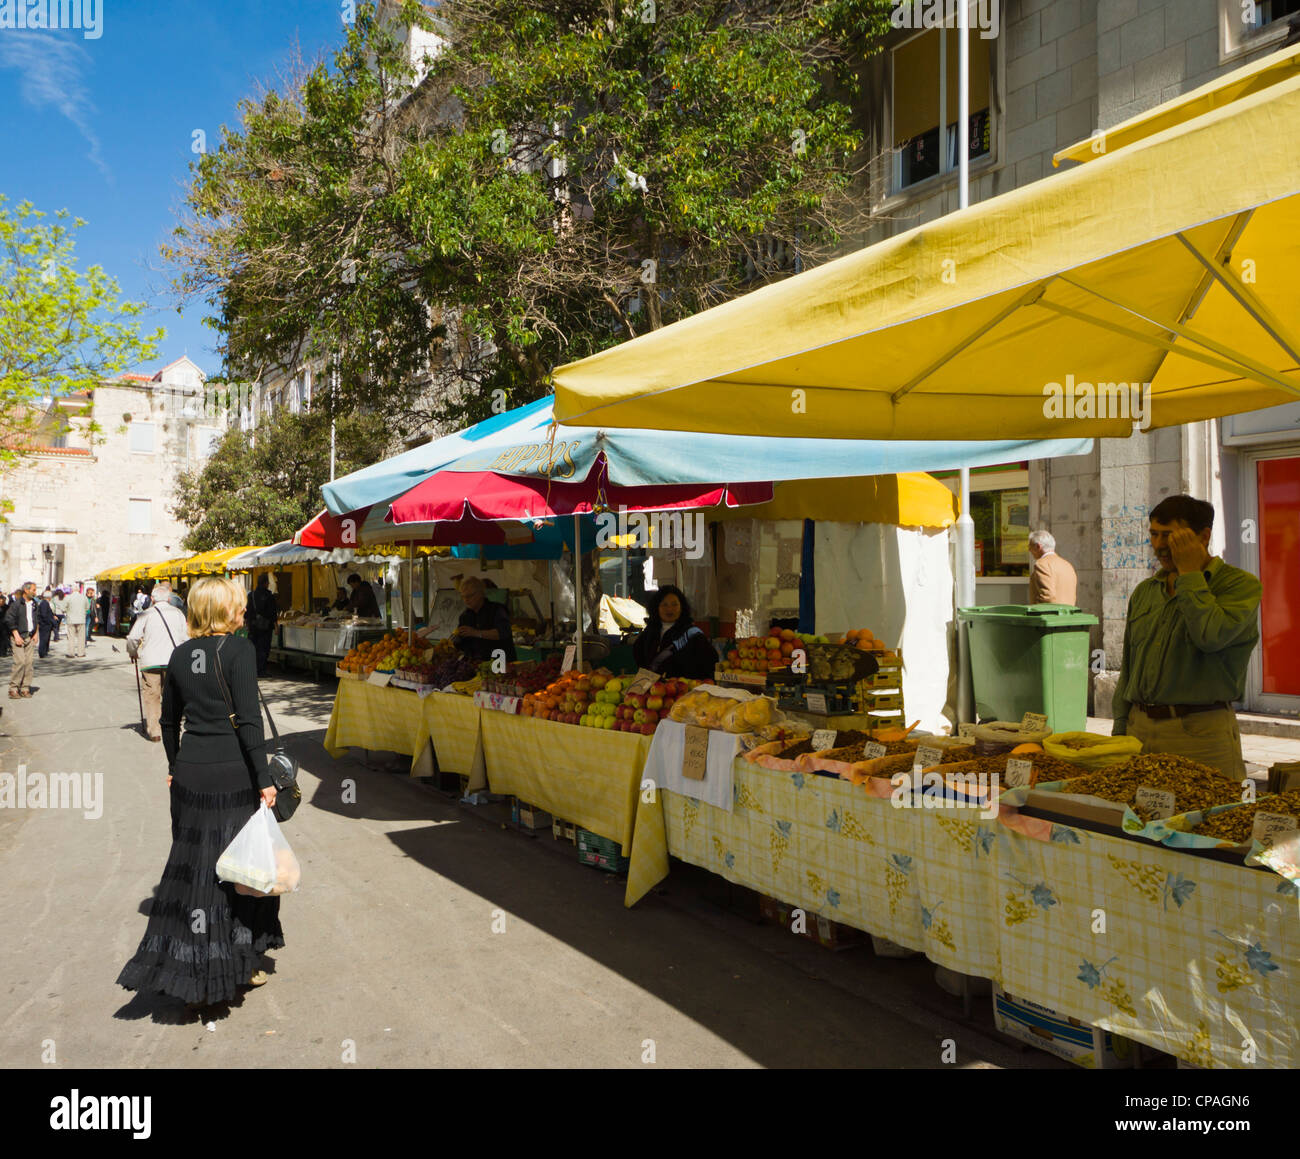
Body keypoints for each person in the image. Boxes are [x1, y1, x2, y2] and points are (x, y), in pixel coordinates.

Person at [117, 576, 284, 1009]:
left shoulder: (179, 655)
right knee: (239, 870)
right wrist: (265, 779)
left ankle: (190, 967)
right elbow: (250, 722)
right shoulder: (241, 650)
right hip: (233, 777)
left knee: (197, 869)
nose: (243, 611)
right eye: (237, 604)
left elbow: (169, 723)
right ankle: (239, 961)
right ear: (223, 610)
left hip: (191, 775)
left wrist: (175, 766)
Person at [1111, 495, 1261, 780]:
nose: (1159, 546)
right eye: (1154, 535)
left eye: (1170, 536)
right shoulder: (1146, 591)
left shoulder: (1239, 586)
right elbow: (1129, 666)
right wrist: (1121, 726)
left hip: (1199, 733)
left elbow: (1210, 636)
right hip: (1139, 728)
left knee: (1210, 819)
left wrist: (1190, 573)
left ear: (1203, 536)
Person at [126, 580, 190, 742]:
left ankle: (155, 731)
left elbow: (133, 637)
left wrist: (133, 652)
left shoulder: (146, 614)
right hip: (173, 661)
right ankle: (172, 725)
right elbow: (186, 638)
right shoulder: (178, 614)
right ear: (169, 599)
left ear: (153, 600)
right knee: (172, 695)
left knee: (152, 695)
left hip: (151, 661)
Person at [632, 584, 717, 679]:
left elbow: (709, 664)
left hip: (684, 689)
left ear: (682, 607)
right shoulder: (649, 631)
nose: (669, 609)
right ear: (656, 608)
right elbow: (638, 655)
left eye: (674, 604)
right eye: (664, 604)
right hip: (653, 688)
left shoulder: (694, 634)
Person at [448, 576, 515, 663]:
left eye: (469, 596)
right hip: (477, 664)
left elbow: (503, 632)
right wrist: (455, 642)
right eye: (463, 597)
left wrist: (476, 633)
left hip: (500, 662)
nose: (466, 600)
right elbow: (464, 644)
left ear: (481, 593)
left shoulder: (497, 609)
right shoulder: (465, 616)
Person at [5, 582, 39, 698]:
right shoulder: (16, 604)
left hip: (30, 636)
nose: (35, 592)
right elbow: (9, 619)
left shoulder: (34, 604)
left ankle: (25, 687)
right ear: (26, 590)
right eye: (33, 590)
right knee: (20, 662)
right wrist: (16, 635)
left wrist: (36, 633)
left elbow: (36, 619)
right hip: (18, 637)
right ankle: (13, 688)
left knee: (28, 663)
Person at [1028, 530, 1077, 605]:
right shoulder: (1067, 565)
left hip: (1048, 615)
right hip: (1068, 614)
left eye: (1030, 546)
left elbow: (1047, 597)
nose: (1029, 550)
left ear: (1038, 546)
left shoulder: (1042, 564)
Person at [245, 574, 278, 677]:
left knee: (253, 649)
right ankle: (261, 670)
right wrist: (276, 626)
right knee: (263, 649)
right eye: (268, 582)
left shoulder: (251, 595)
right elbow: (273, 613)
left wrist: (247, 624)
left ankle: (252, 670)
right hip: (265, 627)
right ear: (265, 583)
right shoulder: (269, 596)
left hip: (253, 626)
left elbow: (247, 612)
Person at [63, 585, 89, 658]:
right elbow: (87, 607)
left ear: (72, 590)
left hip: (71, 619)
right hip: (81, 619)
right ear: (78, 590)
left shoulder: (68, 597)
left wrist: (67, 611)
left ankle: (71, 653)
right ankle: (81, 653)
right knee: (81, 637)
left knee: (71, 637)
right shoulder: (84, 597)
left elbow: (64, 607)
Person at [36, 590, 56, 658]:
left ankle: (45, 652)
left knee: (46, 638)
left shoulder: (44, 603)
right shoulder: (44, 603)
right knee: (44, 639)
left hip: (45, 624)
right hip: (45, 624)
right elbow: (44, 614)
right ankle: (42, 653)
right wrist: (49, 621)